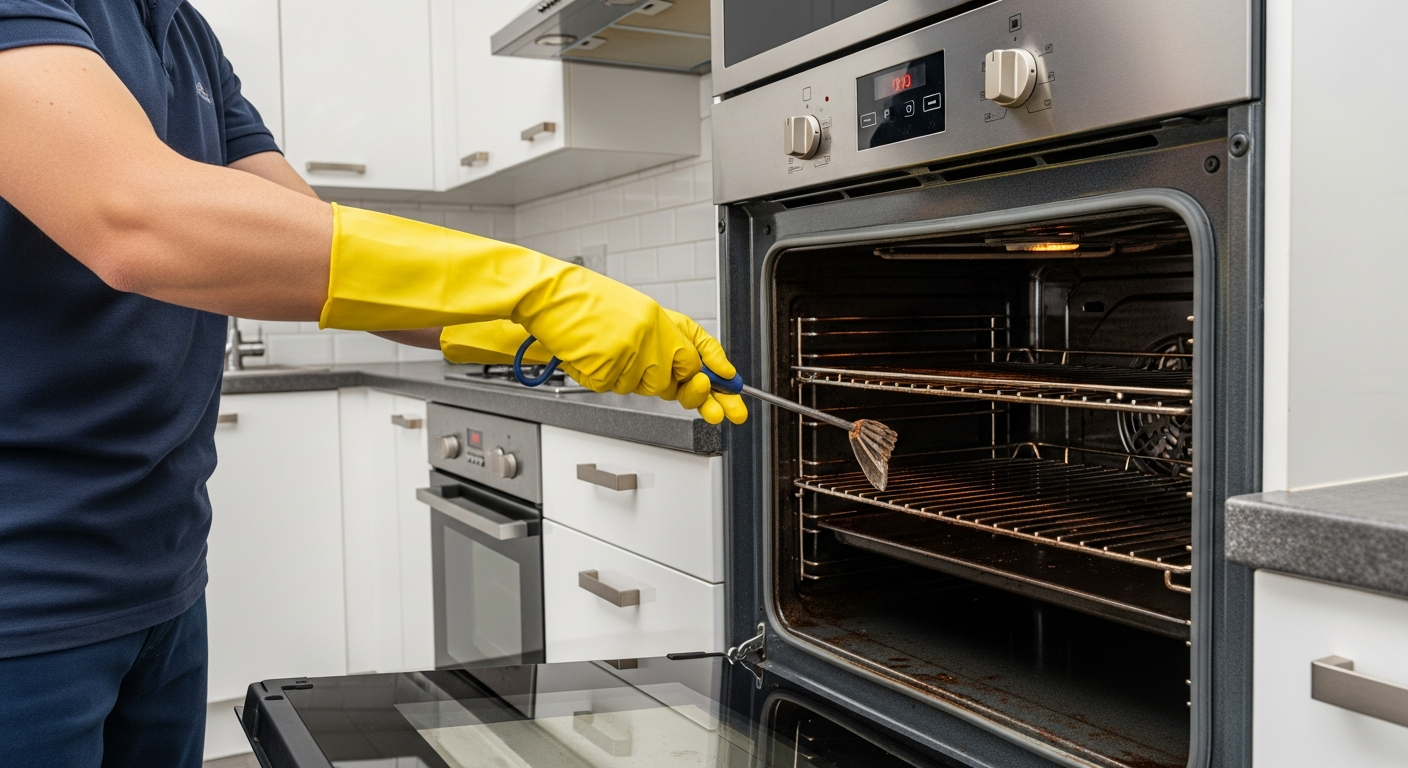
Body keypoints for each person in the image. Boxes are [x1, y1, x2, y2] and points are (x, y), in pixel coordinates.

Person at [0, 1, 747, 764]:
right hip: (24, 597)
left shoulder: (185, 33)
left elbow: (295, 232)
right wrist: (527, 285)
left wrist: (525, 330)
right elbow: (137, 215)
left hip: (163, 571)